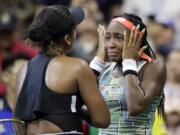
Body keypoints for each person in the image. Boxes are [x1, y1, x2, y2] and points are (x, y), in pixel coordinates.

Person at [13, 5, 110, 135]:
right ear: (67, 38)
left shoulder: (22, 70)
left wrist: (67, 104)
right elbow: (102, 120)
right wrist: (73, 106)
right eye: (74, 28)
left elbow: (18, 122)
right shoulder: (78, 67)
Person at [90, 13, 166, 134]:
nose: (111, 44)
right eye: (108, 38)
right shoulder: (105, 71)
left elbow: (135, 107)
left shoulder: (153, 67)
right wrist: (97, 64)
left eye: (119, 38)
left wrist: (129, 62)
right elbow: (83, 108)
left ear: (137, 39)